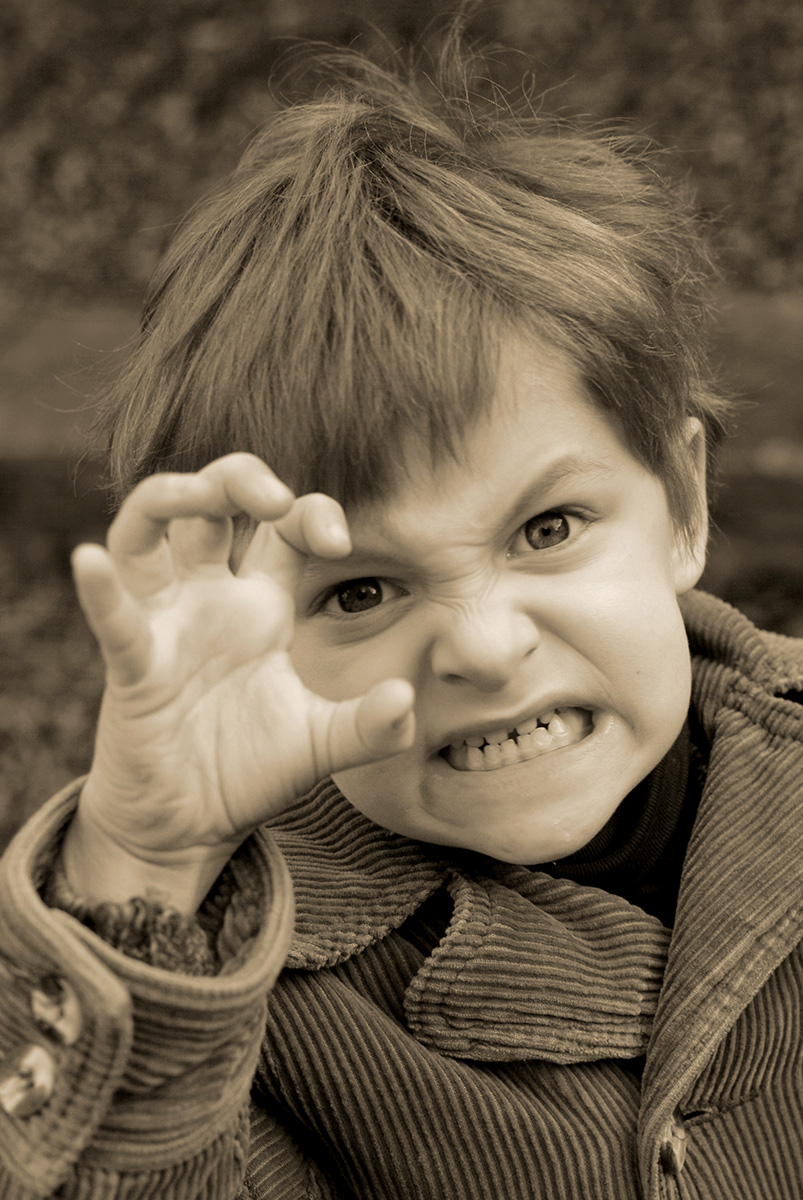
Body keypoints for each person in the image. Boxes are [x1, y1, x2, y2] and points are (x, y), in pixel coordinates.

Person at [1, 35, 802, 1200]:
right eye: (360, 592)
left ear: (680, 503)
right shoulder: (244, 986)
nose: (482, 646)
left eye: (546, 528)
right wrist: (144, 867)